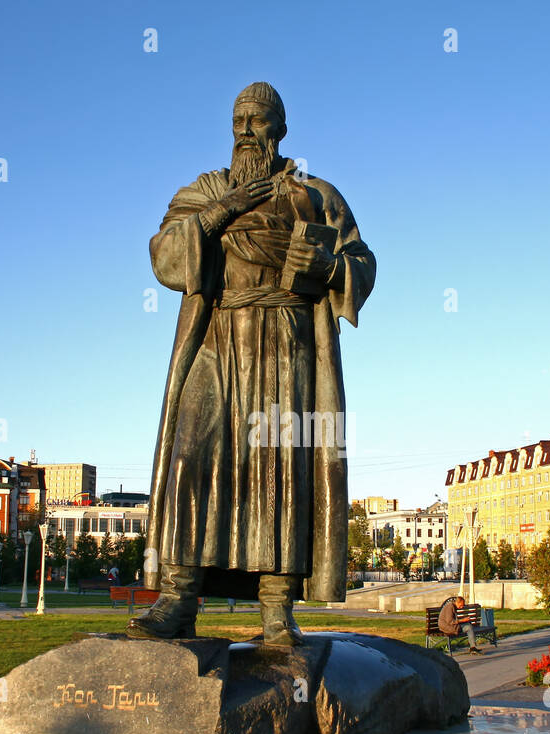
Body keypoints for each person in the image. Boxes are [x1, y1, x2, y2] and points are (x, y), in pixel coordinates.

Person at [128, 81, 376, 646]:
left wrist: (328, 264)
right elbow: (165, 256)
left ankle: (275, 611)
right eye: (238, 118)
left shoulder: (315, 195)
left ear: (279, 128)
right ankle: (178, 595)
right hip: (217, 337)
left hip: (284, 341)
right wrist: (217, 215)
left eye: (258, 119)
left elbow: (362, 260)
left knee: (279, 470)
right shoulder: (204, 190)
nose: (245, 128)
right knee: (193, 457)